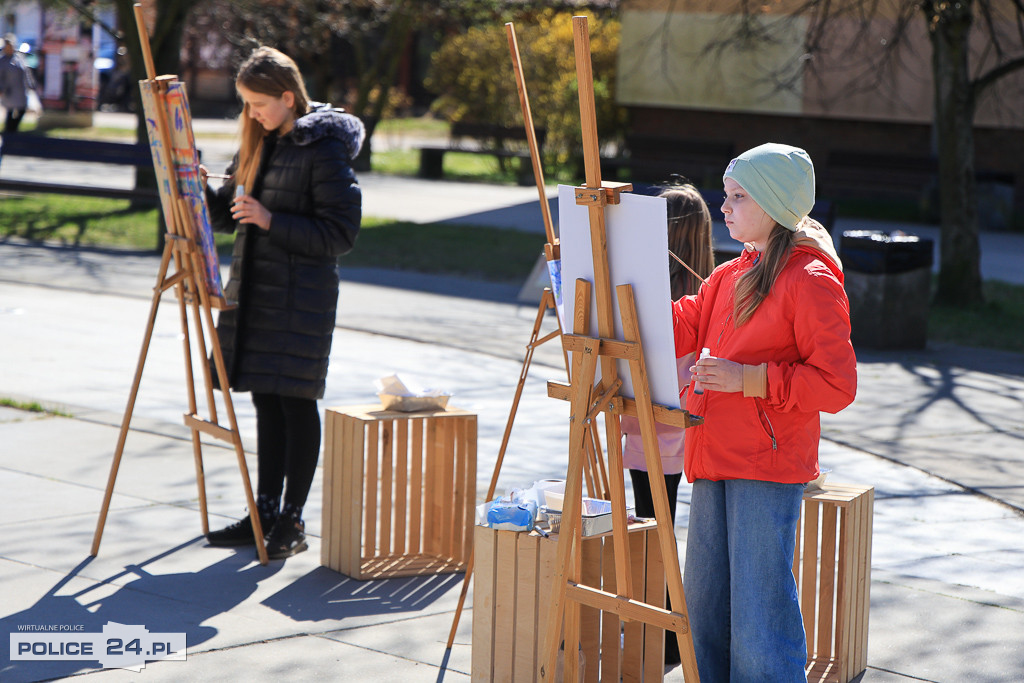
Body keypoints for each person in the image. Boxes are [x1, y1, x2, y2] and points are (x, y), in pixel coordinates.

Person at [672, 143, 857, 681]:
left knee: (758, 616)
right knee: (704, 609)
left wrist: (748, 379)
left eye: (738, 197)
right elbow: (685, 321)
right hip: (712, 451)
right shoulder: (732, 274)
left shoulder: (811, 280)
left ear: (774, 205)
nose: (723, 207)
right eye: (726, 195)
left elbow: (838, 386)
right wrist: (619, 295)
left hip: (765, 463)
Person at [201, 46, 364, 560]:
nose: (251, 114)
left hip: (302, 299)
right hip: (255, 294)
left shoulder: (323, 148)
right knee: (264, 400)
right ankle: (263, 510)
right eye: (246, 104)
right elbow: (232, 215)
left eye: (258, 104)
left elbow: (340, 233)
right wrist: (194, 187)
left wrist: (271, 220)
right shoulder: (262, 141)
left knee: (295, 402)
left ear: (288, 97)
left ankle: (291, 520)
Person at [619, 182, 715, 664]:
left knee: (654, 529)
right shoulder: (708, 295)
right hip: (685, 437)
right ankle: (666, 630)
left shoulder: (663, 304)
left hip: (653, 436)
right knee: (665, 528)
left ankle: (668, 634)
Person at [0, 34, 37, 133]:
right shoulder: (2, 61)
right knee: (10, 111)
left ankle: (12, 130)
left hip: (20, 90)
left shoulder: (19, 58)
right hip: (9, 91)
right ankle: (9, 132)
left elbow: (26, 71)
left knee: (22, 110)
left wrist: (31, 84)